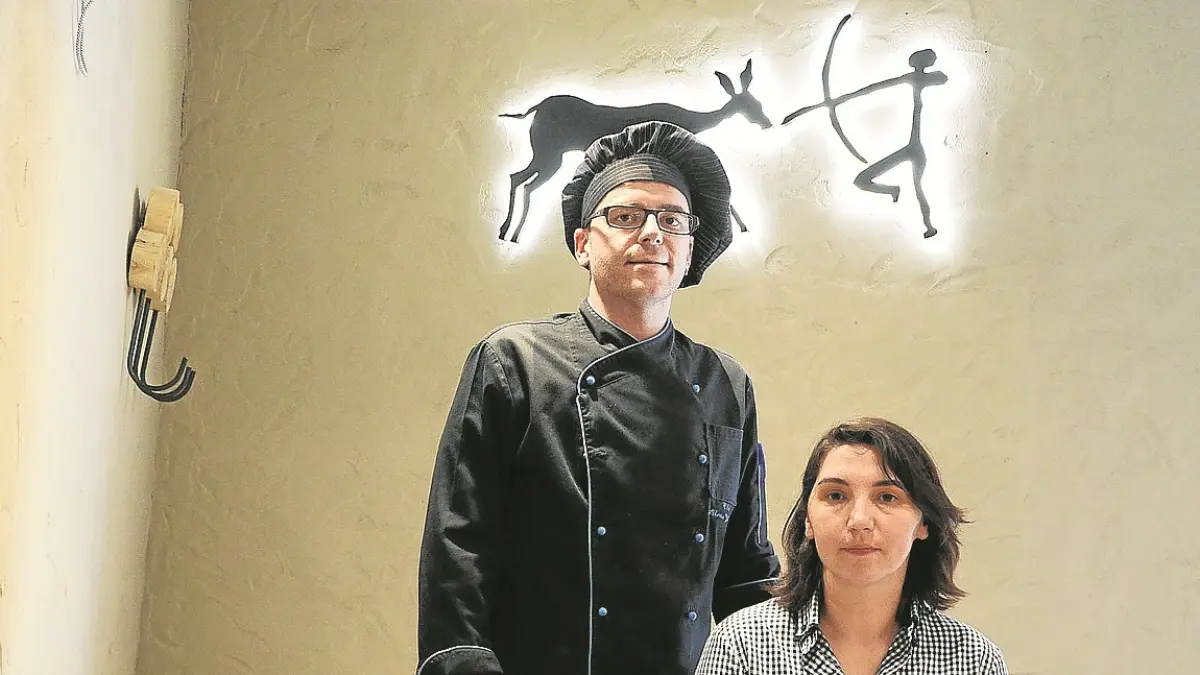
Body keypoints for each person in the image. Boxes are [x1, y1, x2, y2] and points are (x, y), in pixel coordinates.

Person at [417, 121, 781, 675]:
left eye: (672, 220)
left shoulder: (726, 383)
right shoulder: (516, 361)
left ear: (689, 248)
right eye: (626, 216)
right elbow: (459, 543)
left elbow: (746, 572)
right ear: (583, 244)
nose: (653, 233)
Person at [695, 417, 1008, 674]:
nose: (859, 520)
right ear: (807, 520)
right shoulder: (742, 646)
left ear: (923, 523)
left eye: (887, 497)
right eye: (835, 496)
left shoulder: (972, 660)